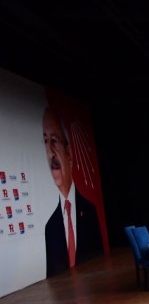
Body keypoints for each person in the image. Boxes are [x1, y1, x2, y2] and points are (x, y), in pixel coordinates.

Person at [43, 107, 102, 276]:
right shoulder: (50, 228)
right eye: (45, 141)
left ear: (69, 153)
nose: (50, 151)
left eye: (54, 140)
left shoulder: (90, 211)